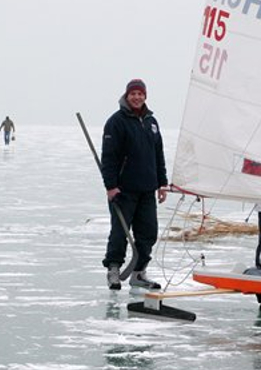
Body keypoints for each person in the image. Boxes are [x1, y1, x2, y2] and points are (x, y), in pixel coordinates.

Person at [100, 79, 167, 291]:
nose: (137, 97)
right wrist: (111, 186)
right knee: (120, 233)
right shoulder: (116, 122)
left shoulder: (151, 122)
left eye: (140, 94)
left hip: (147, 189)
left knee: (148, 233)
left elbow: (158, 155)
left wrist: (162, 183)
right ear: (127, 96)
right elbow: (108, 157)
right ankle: (113, 270)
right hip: (123, 190)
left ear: (145, 96)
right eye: (133, 94)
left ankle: (138, 273)